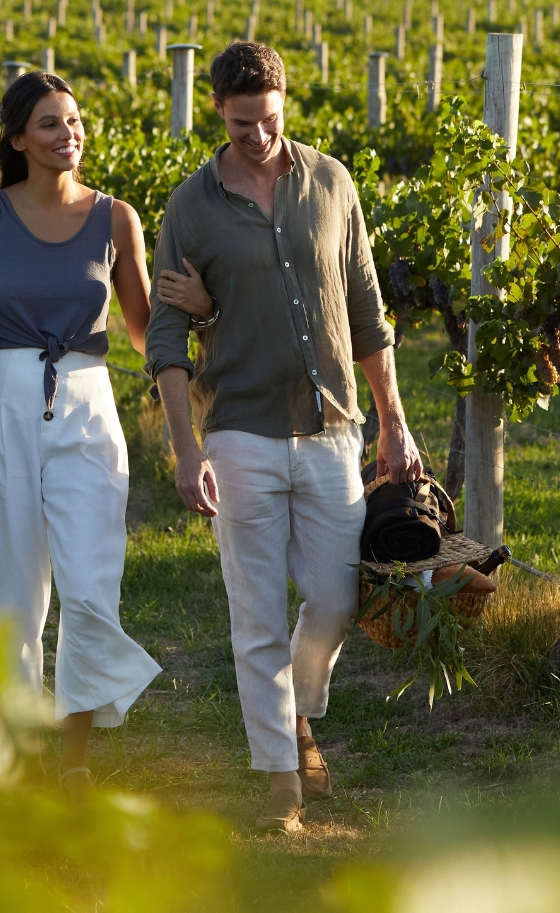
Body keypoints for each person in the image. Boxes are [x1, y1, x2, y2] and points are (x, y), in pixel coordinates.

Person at [146, 41, 423, 834]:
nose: (258, 137)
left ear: (285, 102)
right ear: (217, 114)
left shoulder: (332, 182)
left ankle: (298, 716)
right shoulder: (189, 208)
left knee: (336, 601)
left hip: (333, 425)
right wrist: (184, 446)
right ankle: (281, 787)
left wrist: (394, 424)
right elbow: (166, 339)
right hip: (239, 432)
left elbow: (367, 313)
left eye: (268, 120)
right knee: (257, 614)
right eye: (241, 126)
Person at [0, 70, 211, 801]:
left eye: (74, 121)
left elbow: (144, 331)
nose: (68, 134)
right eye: (49, 123)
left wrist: (201, 314)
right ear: (18, 139)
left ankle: (72, 752)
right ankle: (8, 738)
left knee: (90, 583)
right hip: (6, 404)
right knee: (10, 583)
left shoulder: (116, 218)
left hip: (86, 402)